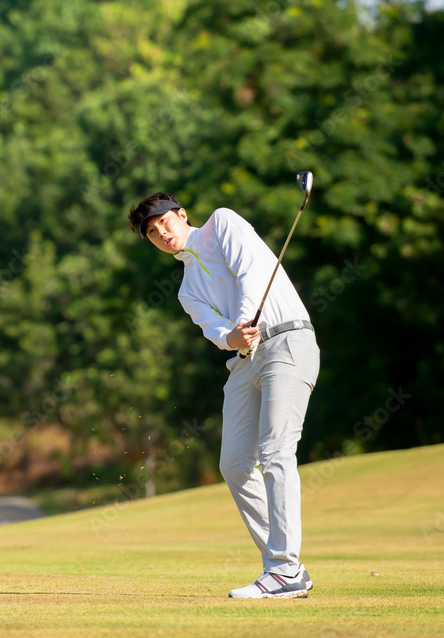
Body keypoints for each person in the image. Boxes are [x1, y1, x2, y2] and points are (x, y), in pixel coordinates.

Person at [127, 192, 320, 599]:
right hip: (245, 360)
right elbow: (215, 332)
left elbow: (249, 272)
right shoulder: (186, 290)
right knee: (234, 464)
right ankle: (289, 569)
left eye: (163, 221)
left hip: (286, 339)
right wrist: (230, 336)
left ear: (181, 215)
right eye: (150, 232)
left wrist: (244, 321)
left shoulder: (221, 223)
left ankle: (283, 569)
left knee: (275, 451)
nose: (160, 232)